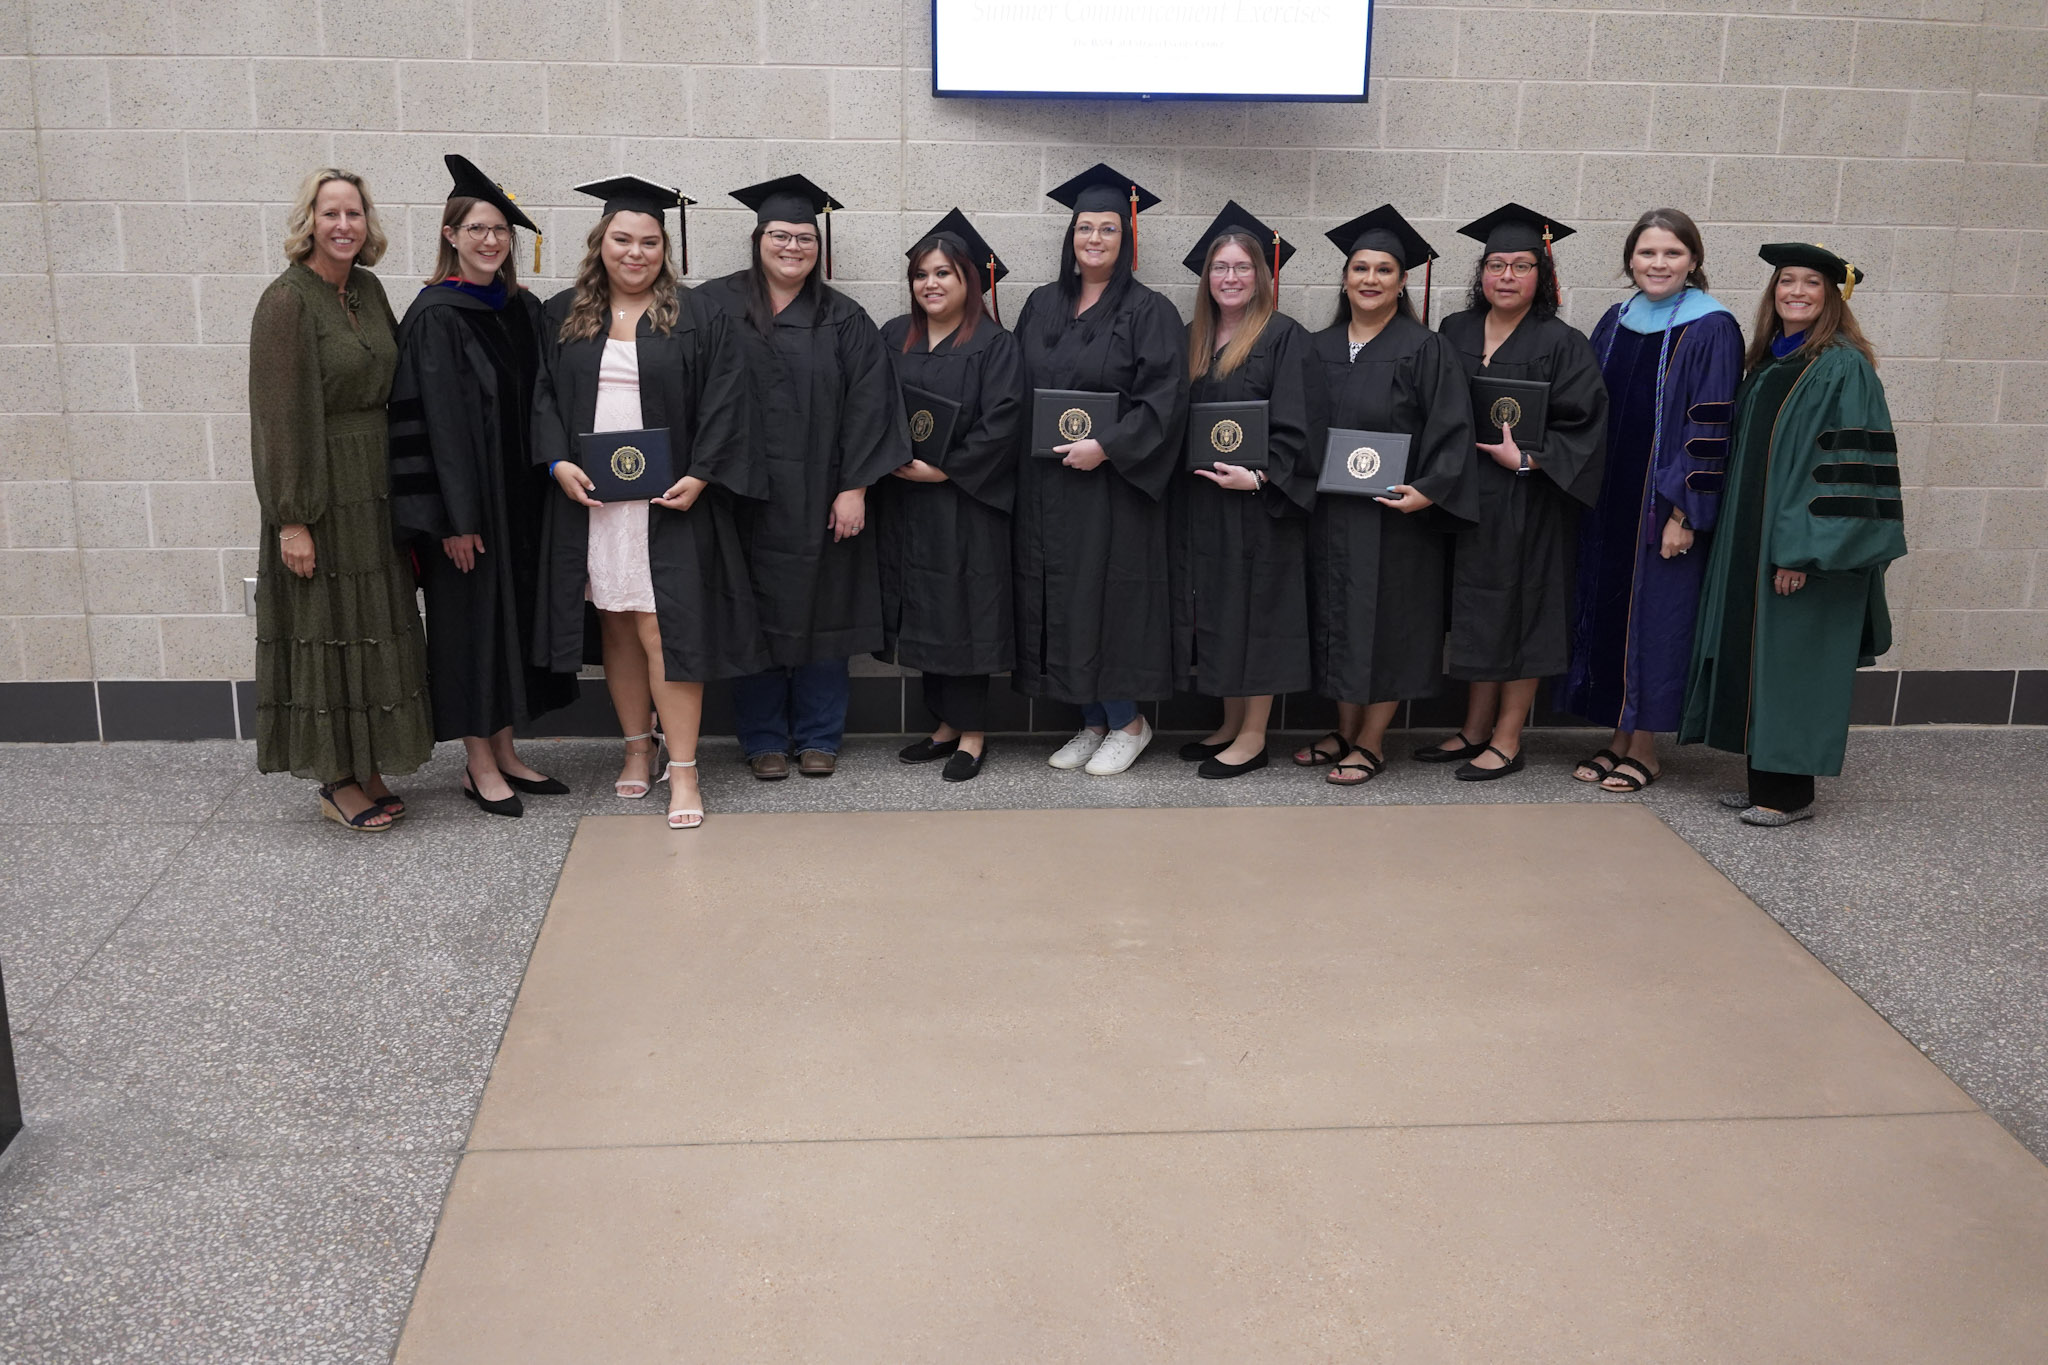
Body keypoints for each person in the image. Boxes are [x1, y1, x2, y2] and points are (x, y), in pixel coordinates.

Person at [533, 175, 766, 830]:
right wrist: (556, 462)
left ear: (665, 248)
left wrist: (702, 474)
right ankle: (637, 747)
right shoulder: (562, 315)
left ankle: (684, 768)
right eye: (622, 239)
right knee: (615, 624)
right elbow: (543, 399)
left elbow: (725, 401)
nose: (635, 252)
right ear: (600, 242)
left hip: (669, 501)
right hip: (596, 503)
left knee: (665, 628)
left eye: (649, 241)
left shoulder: (697, 318)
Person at [1681, 243, 1904, 826]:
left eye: (1810, 283)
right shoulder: (1773, 361)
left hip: (1801, 552)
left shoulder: (1840, 366)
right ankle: (1766, 784)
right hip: (1754, 544)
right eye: (1786, 282)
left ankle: (1789, 795)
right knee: (1764, 661)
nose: (1796, 292)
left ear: (1832, 295)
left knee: (1793, 665)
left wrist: (1803, 551)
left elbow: (1841, 471)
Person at [697, 174, 909, 780]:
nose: (793, 247)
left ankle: (820, 735)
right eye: (780, 235)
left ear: (819, 246)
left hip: (823, 496)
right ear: (758, 238)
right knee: (752, 615)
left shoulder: (843, 317)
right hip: (742, 497)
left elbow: (872, 403)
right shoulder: (714, 305)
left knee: (826, 613)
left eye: (804, 238)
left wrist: (855, 487)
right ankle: (762, 739)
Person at [388, 155, 576, 819]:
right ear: (450, 234)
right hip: (466, 517)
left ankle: (507, 749)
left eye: (500, 229)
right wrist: (451, 521)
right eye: (476, 227)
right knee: (470, 630)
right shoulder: (436, 317)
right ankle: (476, 763)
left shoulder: (519, 312)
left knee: (511, 628)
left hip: (518, 508)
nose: (491, 239)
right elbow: (427, 430)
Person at [249, 168, 431, 832]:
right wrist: (291, 516)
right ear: (310, 223)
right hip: (321, 490)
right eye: (331, 214)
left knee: (373, 620)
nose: (344, 225)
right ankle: (338, 778)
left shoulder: (369, 288)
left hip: (374, 489)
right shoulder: (286, 301)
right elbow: (278, 418)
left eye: (354, 213)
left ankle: (372, 763)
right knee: (327, 628)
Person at [1294, 205, 1480, 786]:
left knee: (1385, 623)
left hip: (1395, 517)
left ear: (1403, 282)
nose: (1370, 279)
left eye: (1383, 270)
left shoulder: (1424, 348)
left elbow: (1453, 429)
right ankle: (1345, 728)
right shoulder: (1316, 346)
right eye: (1359, 268)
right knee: (1337, 620)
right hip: (1330, 513)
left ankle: (1371, 739)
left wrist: (1428, 491)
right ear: (1344, 278)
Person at [1013, 162, 1189, 776]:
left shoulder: (1150, 311)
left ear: (1126, 238)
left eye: (1107, 229)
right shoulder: (1040, 304)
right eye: (1084, 228)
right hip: (1048, 485)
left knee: (1104, 602)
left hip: (1112, 489)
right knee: (1061, 598)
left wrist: (1108, 446)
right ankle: (1091, 719)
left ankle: (1128, 720)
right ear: (1070, 236)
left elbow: (1164, 400)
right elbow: (1019, 387)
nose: (1094, 239)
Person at [1560, 209, 1743, 794]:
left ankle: (1645, 748)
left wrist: (1686, 512)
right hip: (1608, 501)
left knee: (1655, 620)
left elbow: (1709, 425)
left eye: (1671, 254)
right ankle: (1619, 733)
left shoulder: (1712, 327)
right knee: (1611, 612)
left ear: (1694, 260)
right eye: (1646, 254)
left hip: (1661, 506)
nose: (1658, 264)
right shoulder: (1617, 320)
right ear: (1629, 261)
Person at [1423, 203, 1607, 780]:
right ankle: (1475, 727)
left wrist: (1528, 456)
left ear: (1541, 275)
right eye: (1496, 264)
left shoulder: (1563, 342)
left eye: (1521, 266)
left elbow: (1586, 425)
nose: (1506, 276)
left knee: (1521, 612)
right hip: (1466, 495)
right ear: (1481, 273)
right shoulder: (1453, 330)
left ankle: (1507, 736)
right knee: (1478, 611)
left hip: (1529, 501)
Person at [877, 209, 1027, 784]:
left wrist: (948, 471)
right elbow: (874, 407)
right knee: (924, 610)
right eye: (921, 274)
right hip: (908, 502)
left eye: (944, 273)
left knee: (967, 613)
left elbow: (1004, 423)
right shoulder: (895, 335)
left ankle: (972, 733)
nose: (931, 284)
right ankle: (942, 725)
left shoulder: (995, 345)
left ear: (969, 280)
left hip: (966, 503)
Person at [1171, 201, 1319, 779]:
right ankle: (1230, 723)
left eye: (1241, 267)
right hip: (1205, 503)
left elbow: (1302, 426)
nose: (1230, 278)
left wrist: (1259, 476)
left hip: (1258, 506)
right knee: (1217, 611)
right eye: (1219, 268)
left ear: (1262, 275)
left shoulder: (1284, 338)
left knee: (1255, 613)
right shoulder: (1193, 339)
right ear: (1207, 278)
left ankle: (1254, 736)